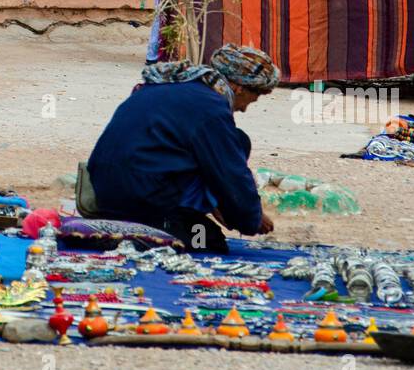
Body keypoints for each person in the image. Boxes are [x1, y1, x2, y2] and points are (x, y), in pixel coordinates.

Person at [87, 44, 280, 252]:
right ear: (239, 87)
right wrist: (251, 217)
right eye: (253, 98)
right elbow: (230, 171)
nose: (243, 108)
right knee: (209, 241)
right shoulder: (209, 106)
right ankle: (151, 233)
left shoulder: (167, 87)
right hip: (144, 200)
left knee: (237, 140)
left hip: (106, 194)